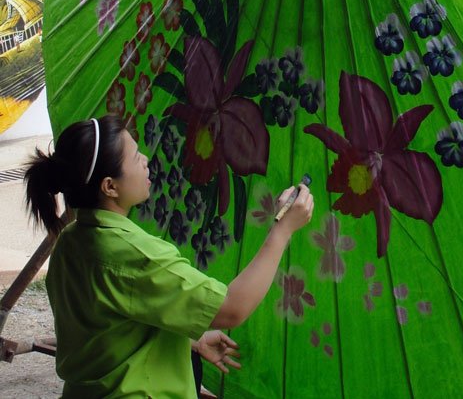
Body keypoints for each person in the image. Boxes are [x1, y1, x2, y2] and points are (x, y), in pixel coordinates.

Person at [25, 114, 314, 398]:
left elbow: (110, 326)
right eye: (136, 156)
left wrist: (192, 340)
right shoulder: (134, 255)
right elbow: (231, 308)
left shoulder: (70, 241)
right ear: (110, 186)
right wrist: (283, 230)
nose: (145, 160)